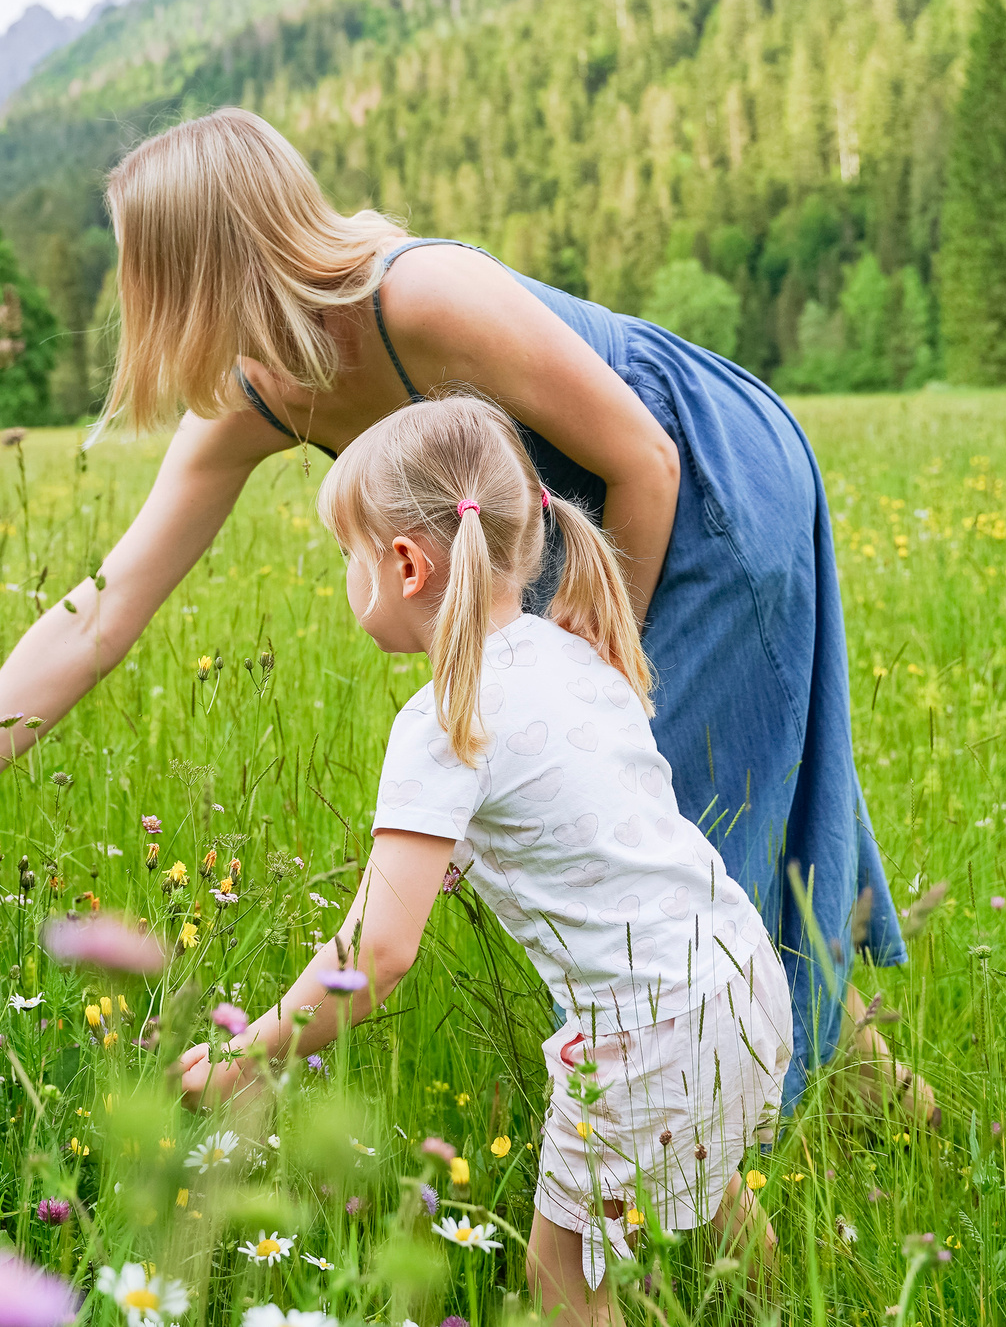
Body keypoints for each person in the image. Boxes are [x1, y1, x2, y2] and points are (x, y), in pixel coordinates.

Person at [0, 107, 932, 1123]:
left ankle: (716, 1195)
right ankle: (892, 1112)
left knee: (657, 855)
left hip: (697, 486)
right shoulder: (258, 392)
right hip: (559, 516)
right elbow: (98, 614)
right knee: (661, 863)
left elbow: (642, 452)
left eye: (142, 271)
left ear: (196, 267)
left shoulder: (419, 299)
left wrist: (586, 675)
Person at [176, 395, 786, 1317]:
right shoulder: (575, 652)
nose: (346, 575)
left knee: (559, 1277)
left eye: (350, 554)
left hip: (647, 1027)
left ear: (405, 565)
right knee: (709, 1177)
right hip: (738, 978)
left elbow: (377, 954)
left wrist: (252, 1054)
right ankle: (791, 1302)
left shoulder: (441, 721)